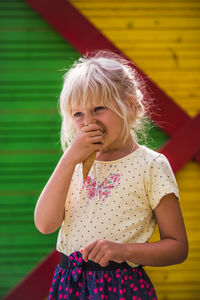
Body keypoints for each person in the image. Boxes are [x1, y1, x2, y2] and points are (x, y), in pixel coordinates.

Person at [34, 50, 188, 300]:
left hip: (121, 287)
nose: (88, 122)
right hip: (70, 285)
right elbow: (45, 224)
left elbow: (177, 247)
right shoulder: (72, 163)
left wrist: (124, 250)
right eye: (78, 114)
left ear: (129, 106)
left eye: (98, 108)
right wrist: (68, 160)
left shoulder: (151, 165)